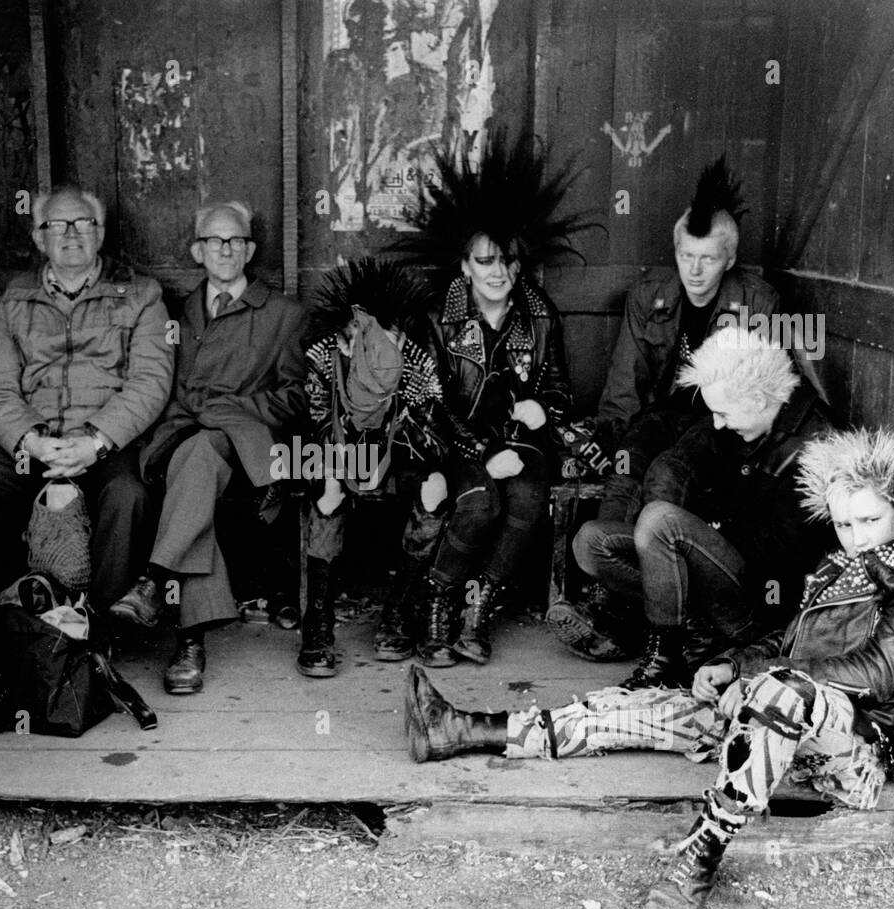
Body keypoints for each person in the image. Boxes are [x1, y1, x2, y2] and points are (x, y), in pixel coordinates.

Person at [404, 427, 894, 909]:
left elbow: (878, 673)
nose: (854, 537)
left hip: (848, 749)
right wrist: (733, 666)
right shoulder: (840, 564)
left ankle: (701, 858)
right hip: (773, 722)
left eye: (868, 521)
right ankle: (463, 728)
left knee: (781, 693)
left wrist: (763, 678)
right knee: (640, 708)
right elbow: (785, 642)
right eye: (842, 524)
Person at [546, 158, 784, 661]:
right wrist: (612, 441)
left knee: (666, 470)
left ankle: (618, 612)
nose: (695, 271)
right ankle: (609, 603)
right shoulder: (649, 295)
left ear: (730, 258)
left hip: (717, 423)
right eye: (686, 255)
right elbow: (625, 380)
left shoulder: (757, 301)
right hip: (661, 415)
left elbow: (759, 394)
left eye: (709, 259)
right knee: (631, 458)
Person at [391, 130, 590, 667]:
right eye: (485, 262)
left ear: (518, 264)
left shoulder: (540, 315)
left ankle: (477, 614)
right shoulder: (435, 319)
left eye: (506, 261)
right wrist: (481, 452)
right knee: (480, 503)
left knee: (528, 499)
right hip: (448, 446)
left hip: (518, 443)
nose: (498, 272)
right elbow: (427, 405)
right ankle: (437, 605)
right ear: (464, 267)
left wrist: (543, 407)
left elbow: (558, 388)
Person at [0, 183, 173, 621]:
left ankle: (95, 629)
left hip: (105, 445)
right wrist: (31, 442)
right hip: (34, 445)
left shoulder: (142, 293)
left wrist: (95, 441)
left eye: (84, 224)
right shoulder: (15, 297)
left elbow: (150, 382)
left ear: (100, 233)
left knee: (128, 496)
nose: (71, 234)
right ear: (38, 238)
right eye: (56, 225)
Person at [110, 201, 307, 694]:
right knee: (192, 464)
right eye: (214, 241)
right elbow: (154, 385)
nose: (225, 249)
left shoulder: (284, 315)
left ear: (251, 249)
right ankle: (163, 598)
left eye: (236, 240)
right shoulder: (175, 316)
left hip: (251, 455)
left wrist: (232, 408)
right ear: (197, 251)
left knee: (198, 460)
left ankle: (178, 621)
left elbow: (299, 398)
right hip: (179, 441)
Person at [571, 328, 832, 689]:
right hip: (721, 570)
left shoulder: (810, 451)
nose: (717, 423)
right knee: (592, 540)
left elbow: (777, 564)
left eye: (723, 413)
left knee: (661, 522)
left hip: (757, 606)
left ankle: (666, 659)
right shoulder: (751, 422)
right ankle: (694, 628)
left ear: (757, 398)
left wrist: (703, 535)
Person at [297, 258, 448, 676]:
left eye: (390, 339)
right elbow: (312, 426)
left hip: (397, 456)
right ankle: (319, 621)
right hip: (339, 455)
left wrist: (396, 424)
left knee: (434, 486)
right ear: (346, 339)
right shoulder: (323, 360)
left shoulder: (415, 362)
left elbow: (432, 435)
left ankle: (399, 613)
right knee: (327, 488)